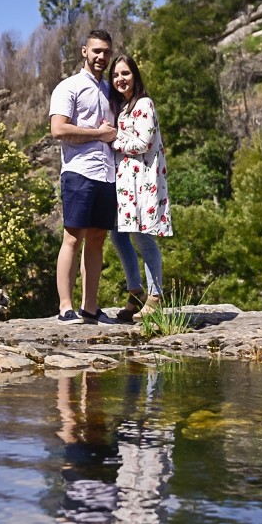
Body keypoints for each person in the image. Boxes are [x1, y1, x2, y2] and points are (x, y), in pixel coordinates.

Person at [49, 29, 118, 324]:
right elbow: (58, 130)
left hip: (107, 174)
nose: (101, 57)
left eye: (106, 52)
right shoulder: (69, 87)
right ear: (84, 51)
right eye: (96, 51)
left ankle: (90, 308)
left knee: (98, 239)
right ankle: (66, 307)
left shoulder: (110, 90)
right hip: (79, 172)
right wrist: (98, 134)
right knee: (72, 238)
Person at [107, 55, 170, 322]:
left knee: (144, 237)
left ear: (135, 75)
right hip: (125, 183)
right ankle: (136, 292)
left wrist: (112, 138)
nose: (120, 79)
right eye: (116, 75)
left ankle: (155, 296)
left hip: (142, 180)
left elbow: (143, 142)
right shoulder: (123, 107)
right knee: (118, 235)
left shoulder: (144, 104)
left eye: (126, 73)